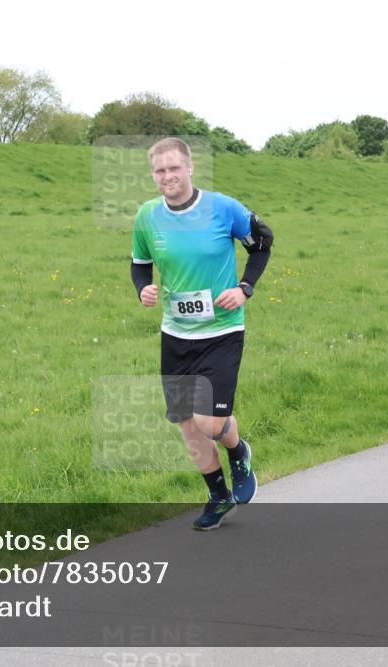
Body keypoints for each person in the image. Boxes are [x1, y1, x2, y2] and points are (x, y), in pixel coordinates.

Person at [130, 137, 272, 530]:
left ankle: (238, 450)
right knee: (187, 424)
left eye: (174, 168)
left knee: (209, 423)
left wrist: (244, 288)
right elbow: (139, 263)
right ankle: (219, 496)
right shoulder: (147, 216)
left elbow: (262, 244)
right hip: (176, 335)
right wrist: (142, 288)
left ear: (190, 168)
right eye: (159, 170)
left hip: (222, 331)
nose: (167, 176)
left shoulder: (223, 208)